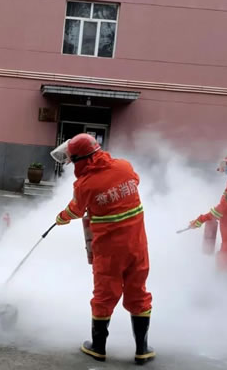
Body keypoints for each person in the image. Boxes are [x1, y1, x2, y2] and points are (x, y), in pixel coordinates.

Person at [51, 133, 155, 364]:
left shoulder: (85, 185)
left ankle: (98, 347)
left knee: (104, 295)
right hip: (137, 246)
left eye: (73, 160)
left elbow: (76, 210)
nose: (72, 164)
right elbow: (135, 181)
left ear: (81, 159)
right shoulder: (125, 166)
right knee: (138, 293)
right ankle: (142, 349)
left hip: (109, 251)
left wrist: (61, 217)